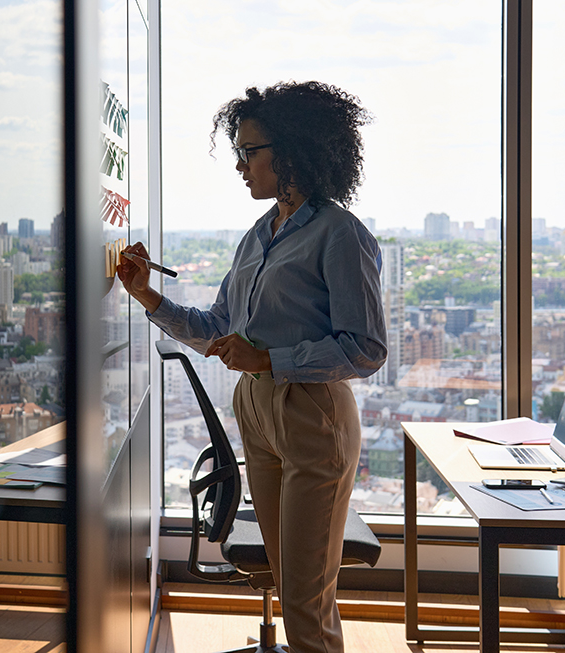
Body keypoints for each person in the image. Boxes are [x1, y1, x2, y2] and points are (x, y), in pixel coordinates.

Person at [117, 81, 387, 653]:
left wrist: (270, 357)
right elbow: (218, 325)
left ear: (290, 152)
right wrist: (148, 297)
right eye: (238, 152)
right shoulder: (257, 237)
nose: (239, 165)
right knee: (295, 587)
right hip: (257, 413)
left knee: (305, 605)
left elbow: (366, 348)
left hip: (312, 415)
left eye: (249, 151)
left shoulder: (341, 235)